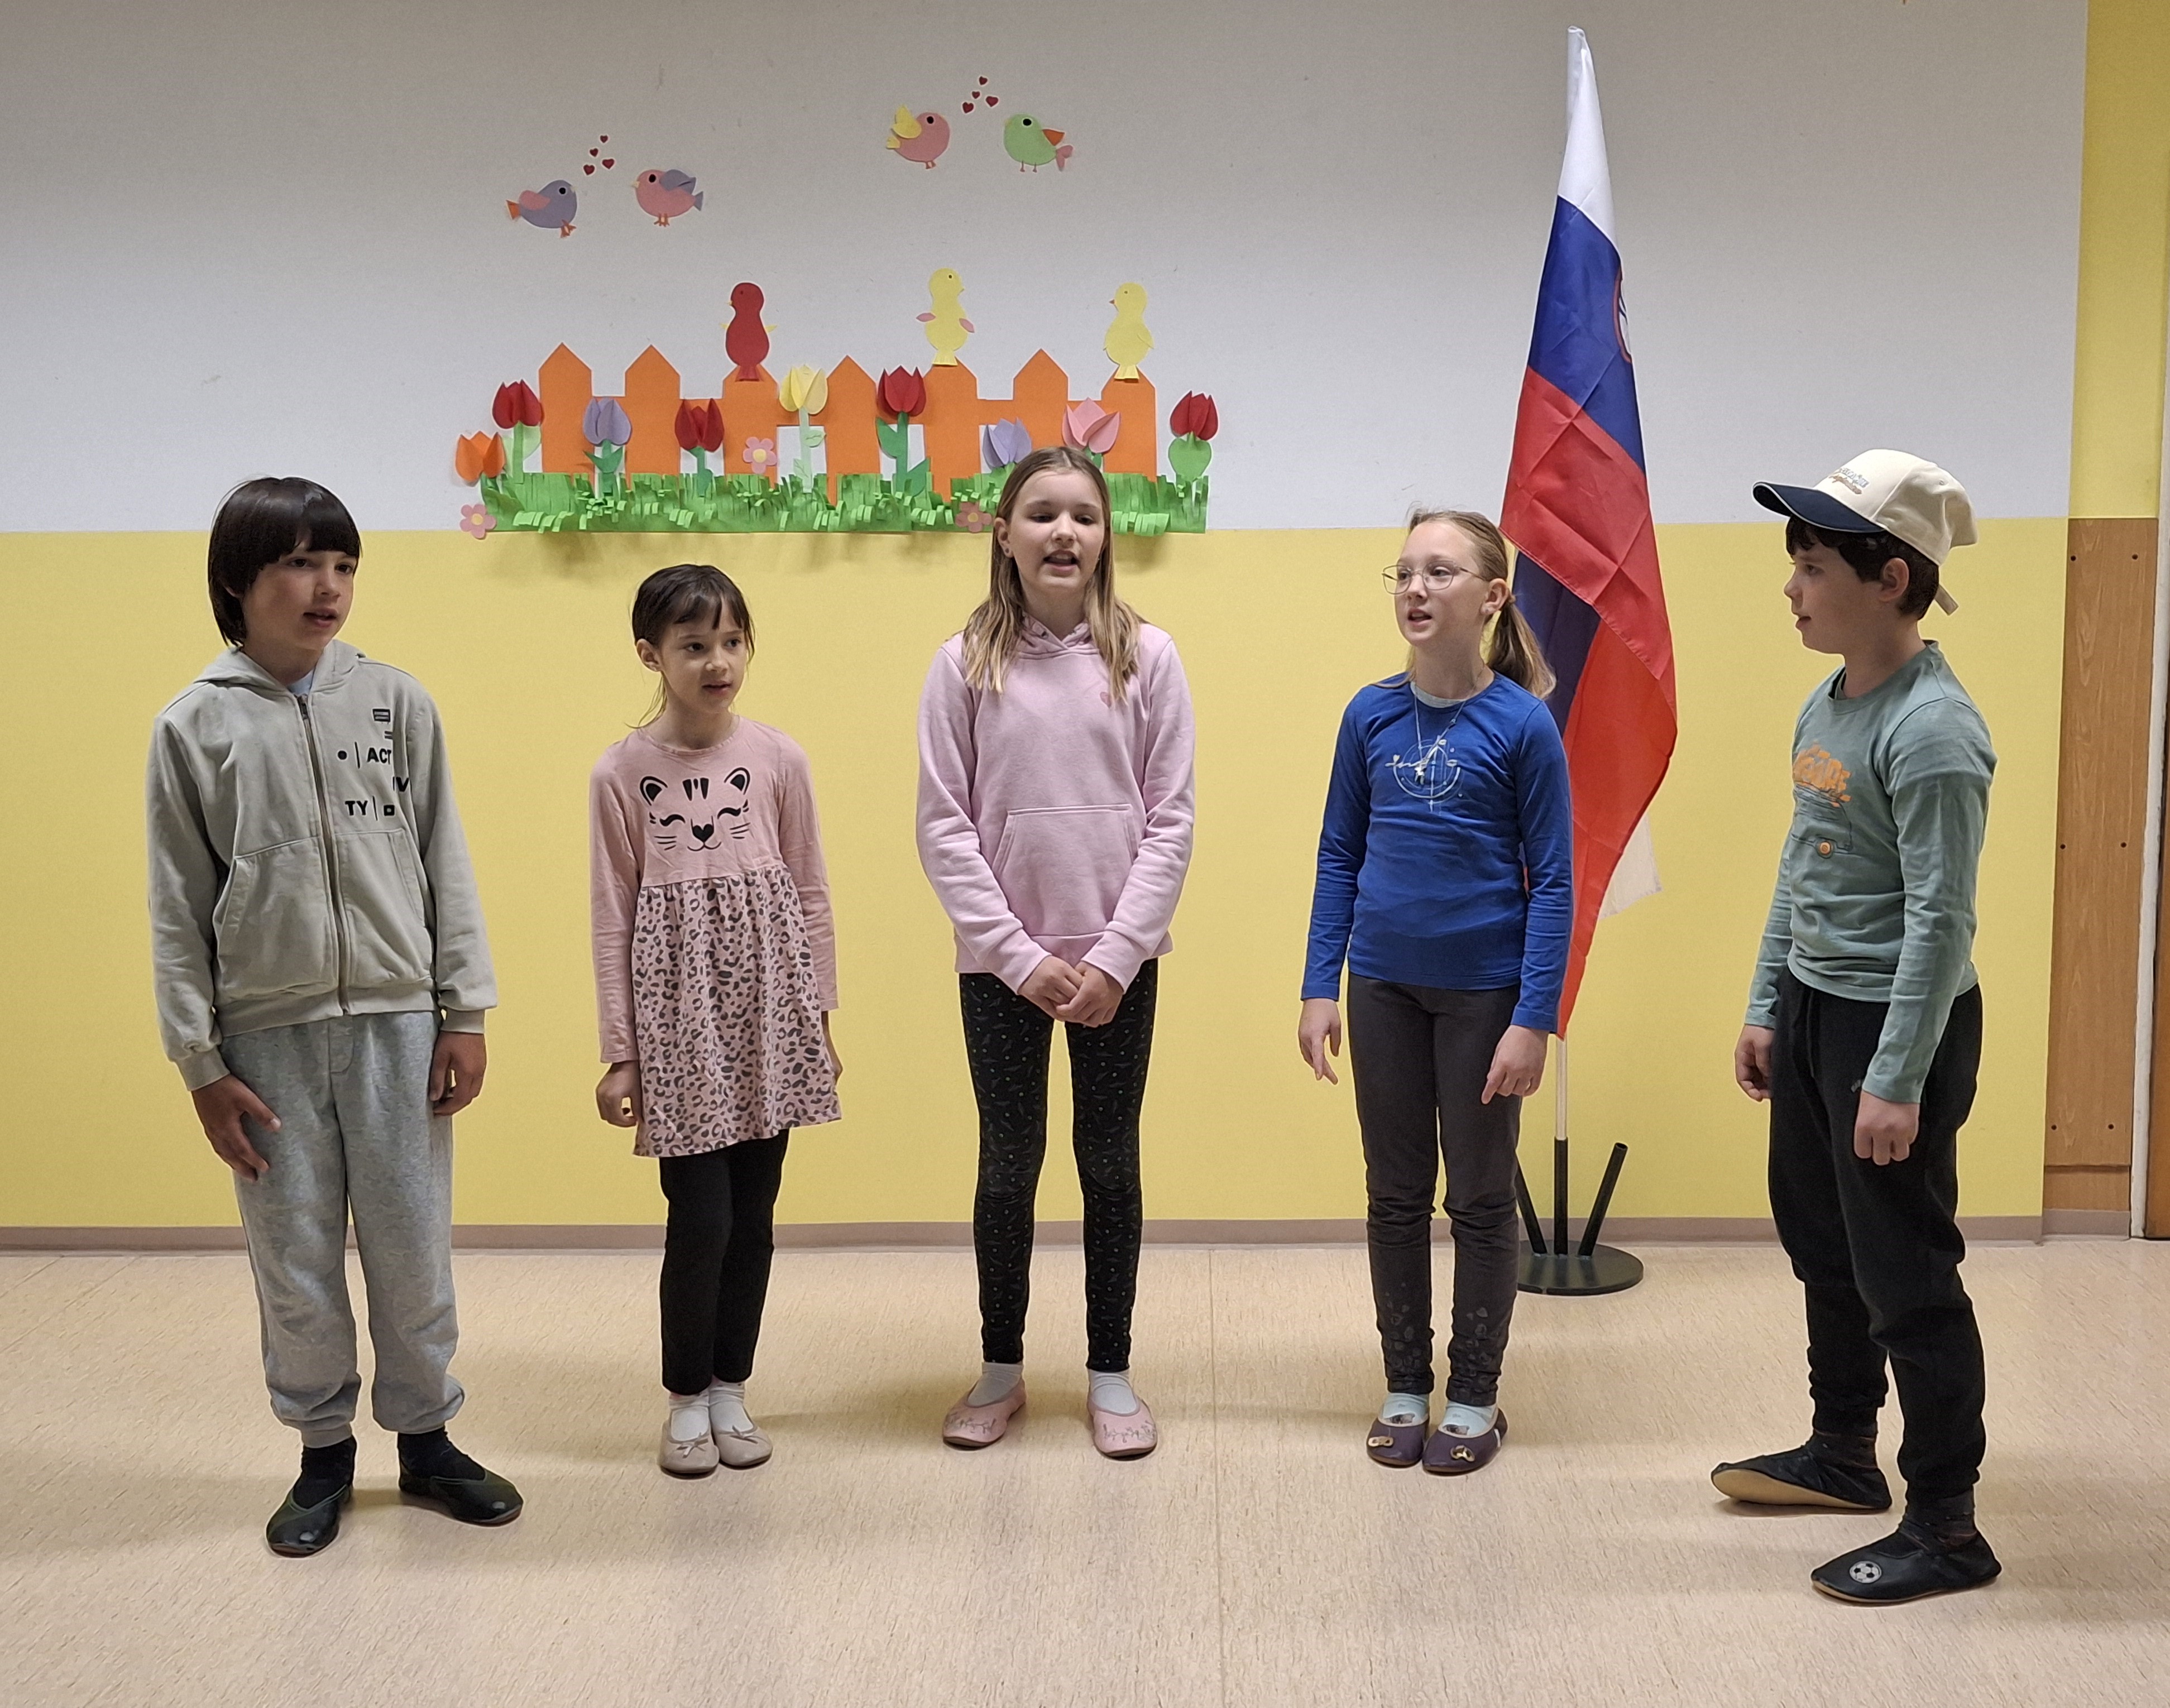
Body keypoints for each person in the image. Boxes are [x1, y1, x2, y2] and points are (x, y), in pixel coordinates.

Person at [146, 477, 520, 1558]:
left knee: (413, 1248)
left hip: (400, 1022)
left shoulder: (397, 703)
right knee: (295, 1256)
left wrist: (465, 1010)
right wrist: (199, 1061)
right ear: (239, 580)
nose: (329, 587)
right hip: (264, 1041)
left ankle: (429, 1442)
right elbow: (176, 906)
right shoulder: (194, 725)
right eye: (303, 563)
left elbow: (445, 860)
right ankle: (321, 1457)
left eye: (345, 564)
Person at [1716, 451, 2000, 1605]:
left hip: (1897, 1027)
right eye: (1794, 563)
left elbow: (1941, 919)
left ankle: (1948, 1525)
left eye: (1814, 567)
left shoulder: (1934, 731)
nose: (1792, 588)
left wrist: (1896, 1077)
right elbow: (1805, 865)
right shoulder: (1829, 699)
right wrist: (1767, 1002)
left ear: (1891, 580)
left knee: (1907, 1275)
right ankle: (1843, 1453)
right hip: (1819, 1012)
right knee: (1825, 1246)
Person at [916, 446, 1196, 1460]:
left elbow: (1170, 821)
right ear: (1005, 534)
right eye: (1041, 514)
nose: (1063, 532)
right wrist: (1019, 957)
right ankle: (1001, 1368)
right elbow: (945, 826)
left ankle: (1110, 1372)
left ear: (1107, 534)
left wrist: (1116, 957)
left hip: (1120, 968)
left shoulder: (1149, 658)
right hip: (1004, 972)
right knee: (1008, 1167)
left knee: (1109, 1165)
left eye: (1084, 514)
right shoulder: (962, 665)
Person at [1297, 508, 1571, 1475]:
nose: (1415, 589)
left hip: (1484, 998)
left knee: (1483, 1200)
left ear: (1492, 597)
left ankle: (1476, 1395)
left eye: (1440, 572)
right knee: (1395, 1194)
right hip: (1382, 988)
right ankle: (1406, 1383)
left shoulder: (1523, 724)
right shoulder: (1368, 715)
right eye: (1405, 572)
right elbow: (1339, 853)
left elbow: (1555, 883)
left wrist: (1533, 1019)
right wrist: (1319, 985)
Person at [591, 563, 840, 1478]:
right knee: (701, 1218)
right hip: (680, 1024)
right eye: (695, 646)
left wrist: (819, 1020)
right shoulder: (621, 774)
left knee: (756, 1215)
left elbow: (811, 892)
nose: (718, 662)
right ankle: (687, 1398)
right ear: (651, 655)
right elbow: (612, 915)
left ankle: (733, 1387)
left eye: (732, 642)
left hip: (770, 1016)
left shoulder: (779, 759)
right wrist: (622, 1054)